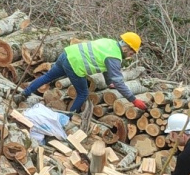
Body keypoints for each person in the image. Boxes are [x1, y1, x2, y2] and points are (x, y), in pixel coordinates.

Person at [18, 33, 146, 115]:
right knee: (83, 94)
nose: (131, 56)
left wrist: (108, 83)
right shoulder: (114, 57)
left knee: (47, 77)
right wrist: (133, 100)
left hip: (67, 54)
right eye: (132, 53)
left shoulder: (110, 42)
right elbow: (118, 81)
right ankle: (66, 118)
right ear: (126, 47)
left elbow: (108, 70)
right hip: (75, 65)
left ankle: (23, 94)